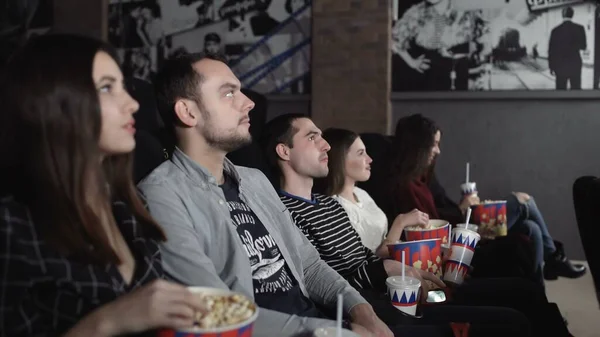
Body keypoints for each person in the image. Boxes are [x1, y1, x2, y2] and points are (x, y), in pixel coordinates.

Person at [136, 52, 393, 337]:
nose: (249, 102)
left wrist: (361, 310)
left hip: (323, 323)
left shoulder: (254, 180)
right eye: (228, 93)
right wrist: (335, 330)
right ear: (188, 112)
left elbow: (307, 263)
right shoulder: (161, 194)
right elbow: (215, 312)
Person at [261, 115, 561, 337]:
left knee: (524, 293)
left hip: (400, 285)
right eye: (312, 137)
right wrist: (390, 268)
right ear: (284, 151)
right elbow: (325, 281)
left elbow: (366, 257)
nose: (325, 143)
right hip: (381, 304)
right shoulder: (285, 212)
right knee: (511, 321)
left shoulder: (327, 204)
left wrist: (407, 266)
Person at [0, 34, 205, 337]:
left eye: (124, 86)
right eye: (107, 88)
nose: (133, 103)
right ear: (55, 104)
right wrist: (105, 322)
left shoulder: (128, 206)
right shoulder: (12, 228)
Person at [384, 114, 586, 282]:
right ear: (419, 146)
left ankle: (541, 292)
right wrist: (463, 212)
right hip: (461, 238)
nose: (438, 151)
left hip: (463, 224)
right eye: (434, 144)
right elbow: (431, 229)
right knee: (522, 201)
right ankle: (554, 259)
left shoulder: (423, 176)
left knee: (530, 228)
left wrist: (464, 207)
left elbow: (441, 208)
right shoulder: (407, 187)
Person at [312, 128, 430, 257]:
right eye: (361, 153)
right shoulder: (335, 209)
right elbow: (368, 263)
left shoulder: (361, 194)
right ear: (340, 160)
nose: (369, 159)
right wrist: (400, 223)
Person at [391, 0, 487, 91]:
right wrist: (412, 62)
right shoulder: (417, 12)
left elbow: (483, 34)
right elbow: (394, 39)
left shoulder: (465, 9)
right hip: (433, 75)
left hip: (463, 72)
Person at [548, 6, 586, 90]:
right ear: (572, 15)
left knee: (561, 89)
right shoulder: (580, 28)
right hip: (575, 63)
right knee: (576, 89)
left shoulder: (555, 30)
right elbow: (583, 46)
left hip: (560, 65)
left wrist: (551, 66)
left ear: (562, 15)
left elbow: (551, 51)